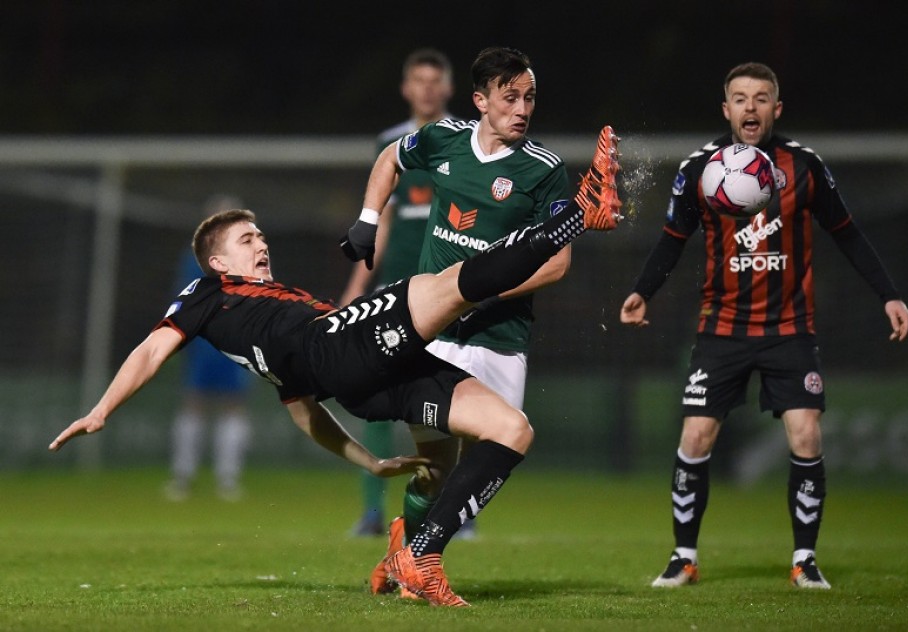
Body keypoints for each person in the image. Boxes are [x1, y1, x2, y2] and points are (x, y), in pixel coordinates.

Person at [50, 125, 622, 607]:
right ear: (218, 261)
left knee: (511, 430)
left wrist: (369, 462)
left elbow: (306, 415)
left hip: (362, 383)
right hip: (339, 346)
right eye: (249, 239)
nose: (262, 245)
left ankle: (414, 554)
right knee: (445, 285)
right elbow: (152, 348)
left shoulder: (270, 315)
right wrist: (102, 409)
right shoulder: (205, 294)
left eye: (262, 236)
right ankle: (578, 214)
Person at [619, 62, 908, 590]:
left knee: (805, 434)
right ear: (725, 108)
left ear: (776, 109)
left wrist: (889, 294)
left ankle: (805, 560)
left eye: (760, 98)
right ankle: (683, 556)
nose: (749, 107)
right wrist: (643, 290)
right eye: (739, 98)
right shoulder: (702, 169)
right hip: (721, 327)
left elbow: (847, 233)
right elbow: (671, 238)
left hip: (790, 328)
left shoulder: (804, 167)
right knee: (696, 435)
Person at [352, 45, 575, 579]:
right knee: (434, 468)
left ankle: (413, 554)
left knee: (497, 446)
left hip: (500, 335)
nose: (522, 109)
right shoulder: (443, 139)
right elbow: (390, 158)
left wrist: (489, 294)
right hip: (433, 333)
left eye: (530, 98)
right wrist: (366, 218)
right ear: (480, 100)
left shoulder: (543, 170)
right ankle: (415, 560)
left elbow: (559, 263)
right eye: (510, 97)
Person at [340, 48, 455, 536]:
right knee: (376, 392)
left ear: (447, 88)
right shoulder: (390, 143)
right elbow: (381, 212)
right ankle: (371, 510)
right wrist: (357, 285)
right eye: (419, 80)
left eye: (435, 80)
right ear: (407, 88)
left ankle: (454, 509)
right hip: (396, 290)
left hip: (449, 288)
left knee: (449, 398)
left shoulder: (466, 140)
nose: (427, 88)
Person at [166, 194, 253, 502]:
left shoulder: (250, 256)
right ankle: (183, 475)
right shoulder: (193, 258)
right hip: (203, 340)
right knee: (194, 403)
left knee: (233, 404)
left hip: (236, 339)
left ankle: (228, 478)